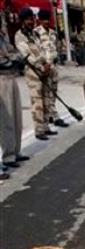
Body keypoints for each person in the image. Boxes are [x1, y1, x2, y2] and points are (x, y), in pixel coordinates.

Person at [15, 7, 56, 141]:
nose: (30, 21)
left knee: (45, 99)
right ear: (22, 21)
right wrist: (41, 67)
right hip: (32, 73)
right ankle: (39, 130)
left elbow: (44, 50)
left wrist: (47, 64)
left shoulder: (35, 34)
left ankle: (45, 127)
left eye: (32, 19)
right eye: (27, 19)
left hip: (44, 70)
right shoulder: (19, 36)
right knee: (37, 101)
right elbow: (26, 55)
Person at [0, 16, 29, 174]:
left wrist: (12, 59)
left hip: (11, 77)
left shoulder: (3, 36)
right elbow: (6, 58)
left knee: (17, 117)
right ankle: (8, 156)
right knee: (6, 119)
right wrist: (10, 59)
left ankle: (15, 151)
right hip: (1, 79)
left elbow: (16, 53)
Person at [36, 9, 68, 128]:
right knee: (47, 91)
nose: (46, 22)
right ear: (39, 20)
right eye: (43, 20)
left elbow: (56, 48)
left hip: (54, 66)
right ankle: (54, 117)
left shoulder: (53, 33)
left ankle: (50, 114)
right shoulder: (36, 33)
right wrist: (42, 66)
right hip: (45, 66)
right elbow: (37, 51)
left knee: (54, 90)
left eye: (47, 19)